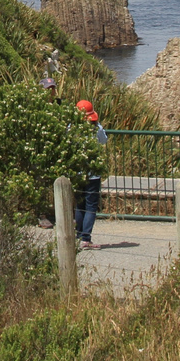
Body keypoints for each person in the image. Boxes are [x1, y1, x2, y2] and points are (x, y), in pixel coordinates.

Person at [74, 99, 109, 250]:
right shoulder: (96, 129)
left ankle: (78, 236)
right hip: (93, 173)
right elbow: (103, 141)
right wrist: (98, 125)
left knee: (80, 205)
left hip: (77, 172)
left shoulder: (71, 128)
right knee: (90, 206)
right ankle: (86, 238)